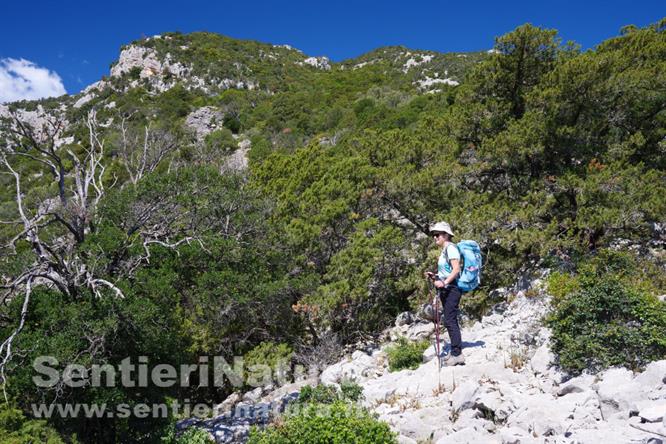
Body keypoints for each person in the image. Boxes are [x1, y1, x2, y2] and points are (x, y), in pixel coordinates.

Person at [425, 221, 465, 366]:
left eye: (437, 235)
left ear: (446, 235)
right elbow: (447, 271)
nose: (435, 237)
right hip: (447, 288)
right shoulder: (445, 250)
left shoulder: (451, 249)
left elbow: (456, 269)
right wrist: (435, 277)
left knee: (450, 320)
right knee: (448, 320)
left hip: (452, 288)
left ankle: (457, 354)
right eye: (434, 235)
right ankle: (455, 352)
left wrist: (444, 282)